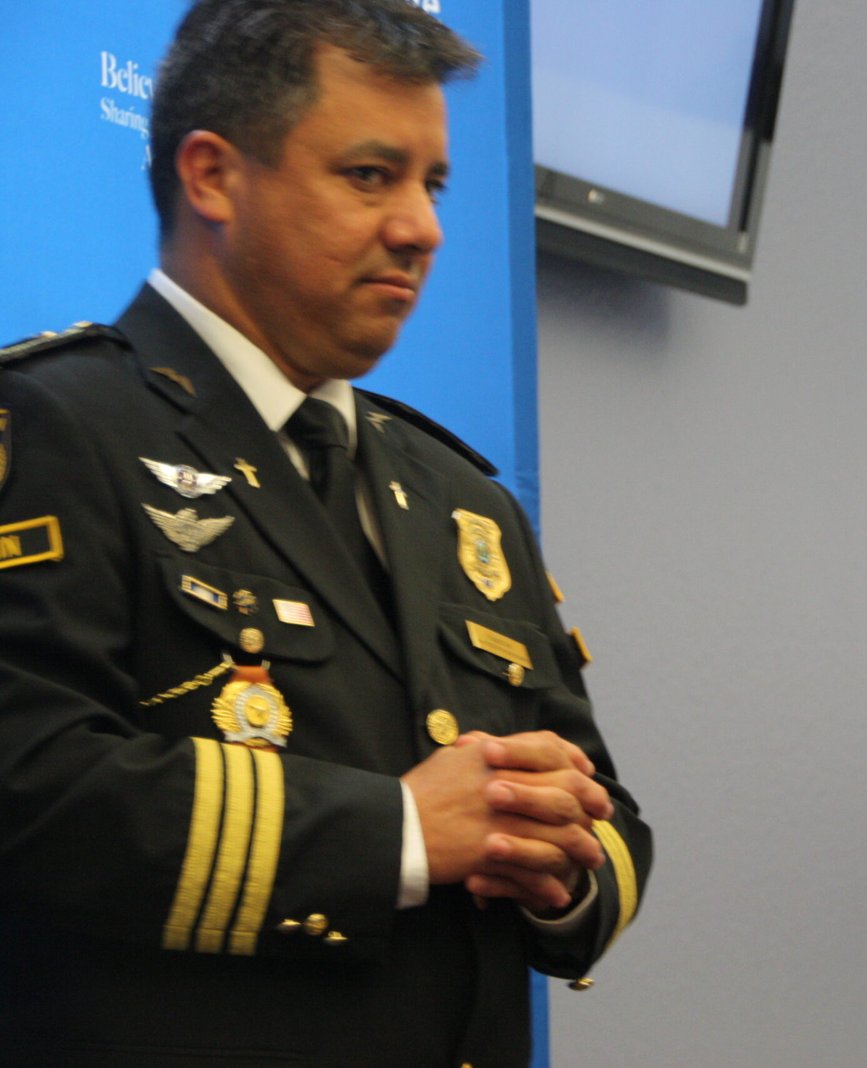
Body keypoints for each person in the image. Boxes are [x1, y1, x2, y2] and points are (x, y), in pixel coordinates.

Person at [0, 2, 650, 1065]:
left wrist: (558, 854)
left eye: (433, 185)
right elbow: (28, 786)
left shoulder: (465, 499)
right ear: (213, 176)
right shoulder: (54, 423)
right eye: (370, 175)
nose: (422, 227)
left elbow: (610, 815)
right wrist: (396, 835)